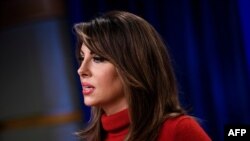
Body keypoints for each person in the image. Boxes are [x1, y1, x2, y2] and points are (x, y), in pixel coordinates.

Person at [73, 11, 211, 141]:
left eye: (97, 59)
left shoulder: (178, 130)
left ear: (132, 65)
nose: (81, 70)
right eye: (81, 57)